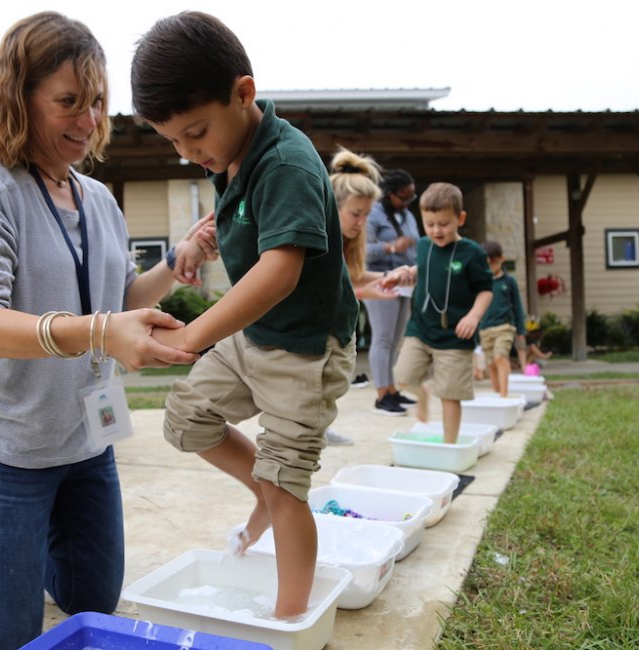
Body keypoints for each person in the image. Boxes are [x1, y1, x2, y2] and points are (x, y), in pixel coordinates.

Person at [0, 13, 215, 649]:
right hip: (4, 447)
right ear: (19, 97)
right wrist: (100, 330)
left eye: (96, 102)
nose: (88, 121)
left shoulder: (98, 198)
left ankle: (12, 555)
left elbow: (114, 300)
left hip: (85, 440)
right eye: (68, 101)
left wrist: (176, 263)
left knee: (90, 603)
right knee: (2, 637)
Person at [131, 11, 358, 618]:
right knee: (185, 419)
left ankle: (288, 620)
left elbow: (278, 272)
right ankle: (266, 486)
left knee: (288, 487)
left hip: (306, 350)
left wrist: (193, 335)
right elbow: (240, 233)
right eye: (173, 140)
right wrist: (195, 242)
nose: (186, 152)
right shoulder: (228, 159)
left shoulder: (284, 161)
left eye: (195, 132)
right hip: (254, 339)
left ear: (244, 93)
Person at [383, 182, 493, 444]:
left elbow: (486, 290)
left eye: (443, 224)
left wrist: (473, 316)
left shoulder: (472, 253)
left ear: (460, 219)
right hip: (421, 329)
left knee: (450, 393)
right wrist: (408, 273)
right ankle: (422, 394)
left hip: (455, 335)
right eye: (430, 223)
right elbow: (425, 267)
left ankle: (449, 444)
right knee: (402, 375)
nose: (436, 230)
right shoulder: (424, 245)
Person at [323, 147, 406, 445]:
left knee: (330, 377)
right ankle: (309, 431)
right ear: (333, 206)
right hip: (305, 326)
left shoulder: (348, 240)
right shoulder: (317, 239)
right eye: (356, 214)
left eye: (366, 215)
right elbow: (320, 289)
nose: (362, 223)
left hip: (330, 324)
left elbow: (350, 275)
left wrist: (388, 276)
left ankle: (316, 428)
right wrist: (364, 291)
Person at [364, 169, 423, 415]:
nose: (408, 201)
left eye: (412, 197)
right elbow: (362, 250)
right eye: (404, 196)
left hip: (405, 281)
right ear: (389, 194)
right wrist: (390, 247)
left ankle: (391, 390)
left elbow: (417, 243)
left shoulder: (407, 215)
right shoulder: (373, 214)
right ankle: (381, 396)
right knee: (383, 338)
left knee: (395, 340)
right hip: (380, 279)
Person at [479, 241, 528, 397]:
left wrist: (520, 330)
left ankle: (504, 395)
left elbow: (518, 307)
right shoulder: (480, 283)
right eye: (486, 264)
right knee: (491, 364)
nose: (490, 267)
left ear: (501, 259)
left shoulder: (509, 281)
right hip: (485, 329)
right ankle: (497, 392)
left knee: (500, 356)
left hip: (504, 327)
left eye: (493, 263)